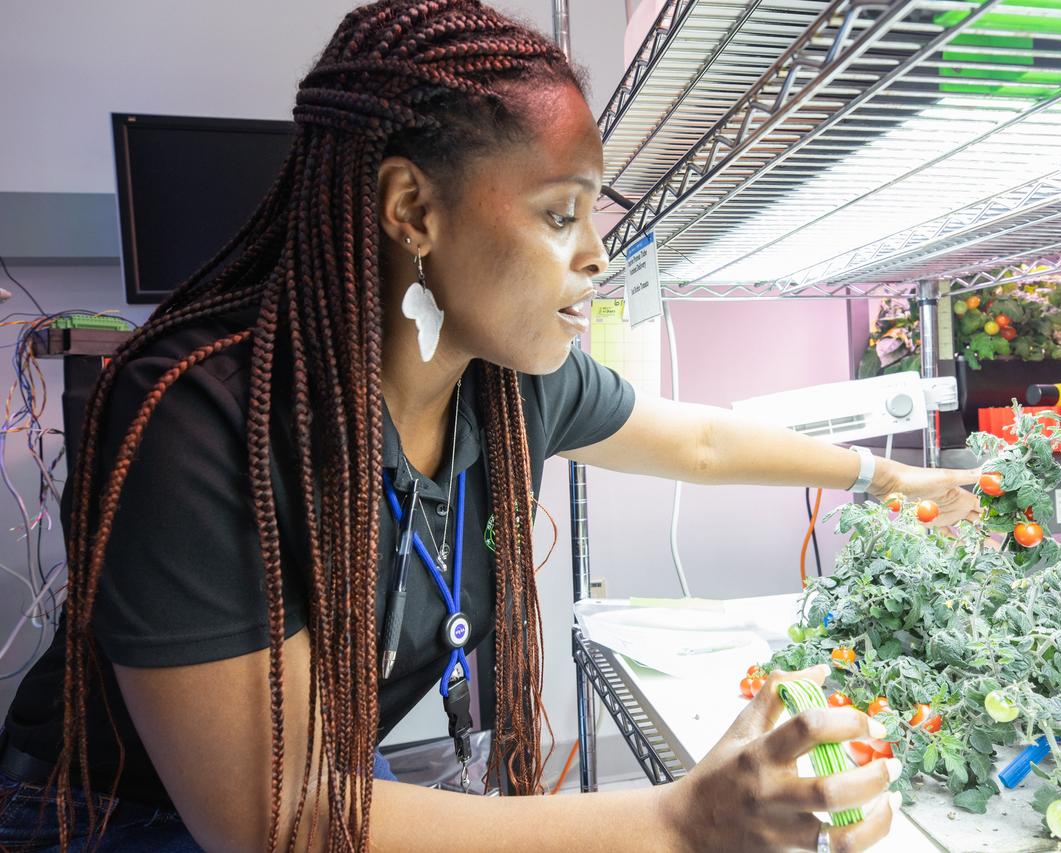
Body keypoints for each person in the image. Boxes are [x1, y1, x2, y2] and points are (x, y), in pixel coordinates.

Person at [0, 2, 979, 850]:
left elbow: (702, 441)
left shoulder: (506, 381)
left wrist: (885, 480)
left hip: (325, 796)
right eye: (561, 214)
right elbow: (271, 818)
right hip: (106, 815)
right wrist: (676, 822)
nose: (597, 254)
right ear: (412, 211)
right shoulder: (202, 420)